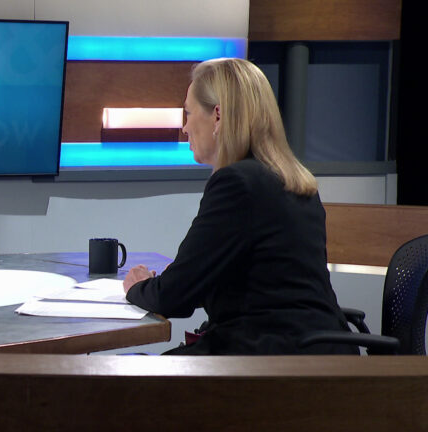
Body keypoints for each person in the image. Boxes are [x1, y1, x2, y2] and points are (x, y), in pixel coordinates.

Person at [122, 58, 358, 355]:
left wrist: (136, 287)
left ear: (217, 116)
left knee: (120, 380)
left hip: (271, 363)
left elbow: (172, 298)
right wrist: (190, 276)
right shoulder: (291, 179)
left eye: (189, 112)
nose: (184, 128)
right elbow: (263, 278)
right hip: (317, 351)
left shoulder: (237, 184)